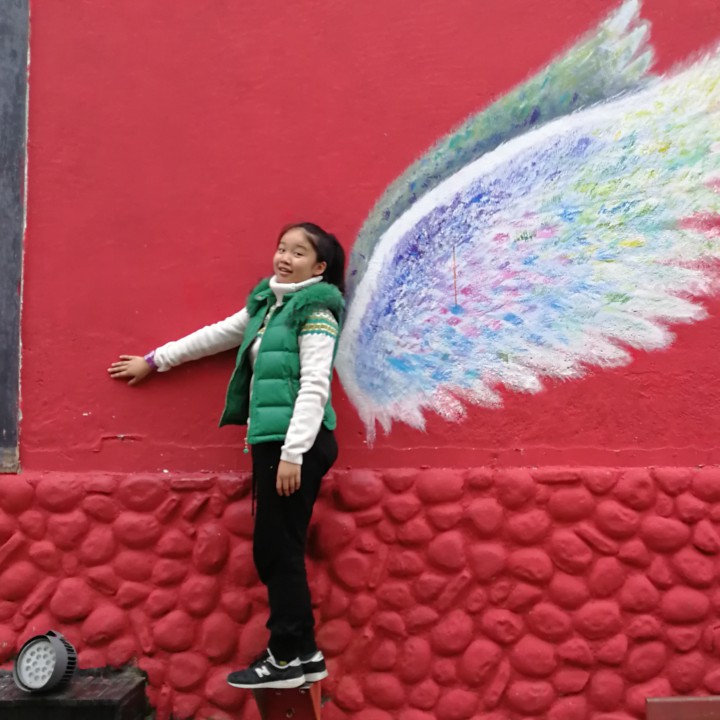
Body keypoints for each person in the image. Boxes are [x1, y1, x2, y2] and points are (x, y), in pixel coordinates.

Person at [108, 222, 345, 690]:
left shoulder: (315, 312)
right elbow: (214, 336)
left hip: (296, 445)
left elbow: (316, 385)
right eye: (281, 248)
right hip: (275, 444)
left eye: (298, 253)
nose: (284, 258)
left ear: (319, 267)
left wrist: (293, 453)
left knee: (278, 549)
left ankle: (284, 657)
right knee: (277, 547)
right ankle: (304, 655)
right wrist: (154, 360)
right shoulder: (269, 307)